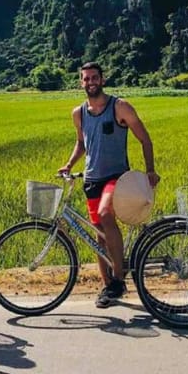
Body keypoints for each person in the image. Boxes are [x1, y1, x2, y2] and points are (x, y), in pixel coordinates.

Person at [58, 62, 159, 308]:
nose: (90, 82)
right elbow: (81, 143)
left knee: (105, 214)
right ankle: (109, 287)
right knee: (98, 237)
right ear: (81, 82)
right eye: (86, 79)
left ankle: (117, 279)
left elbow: (144, 138)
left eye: (94, 78)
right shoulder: (78, 113)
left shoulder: (120, 107)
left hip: (117, 177)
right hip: (92, 179)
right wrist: (69, 165)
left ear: (102, 80)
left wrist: (150, 171)